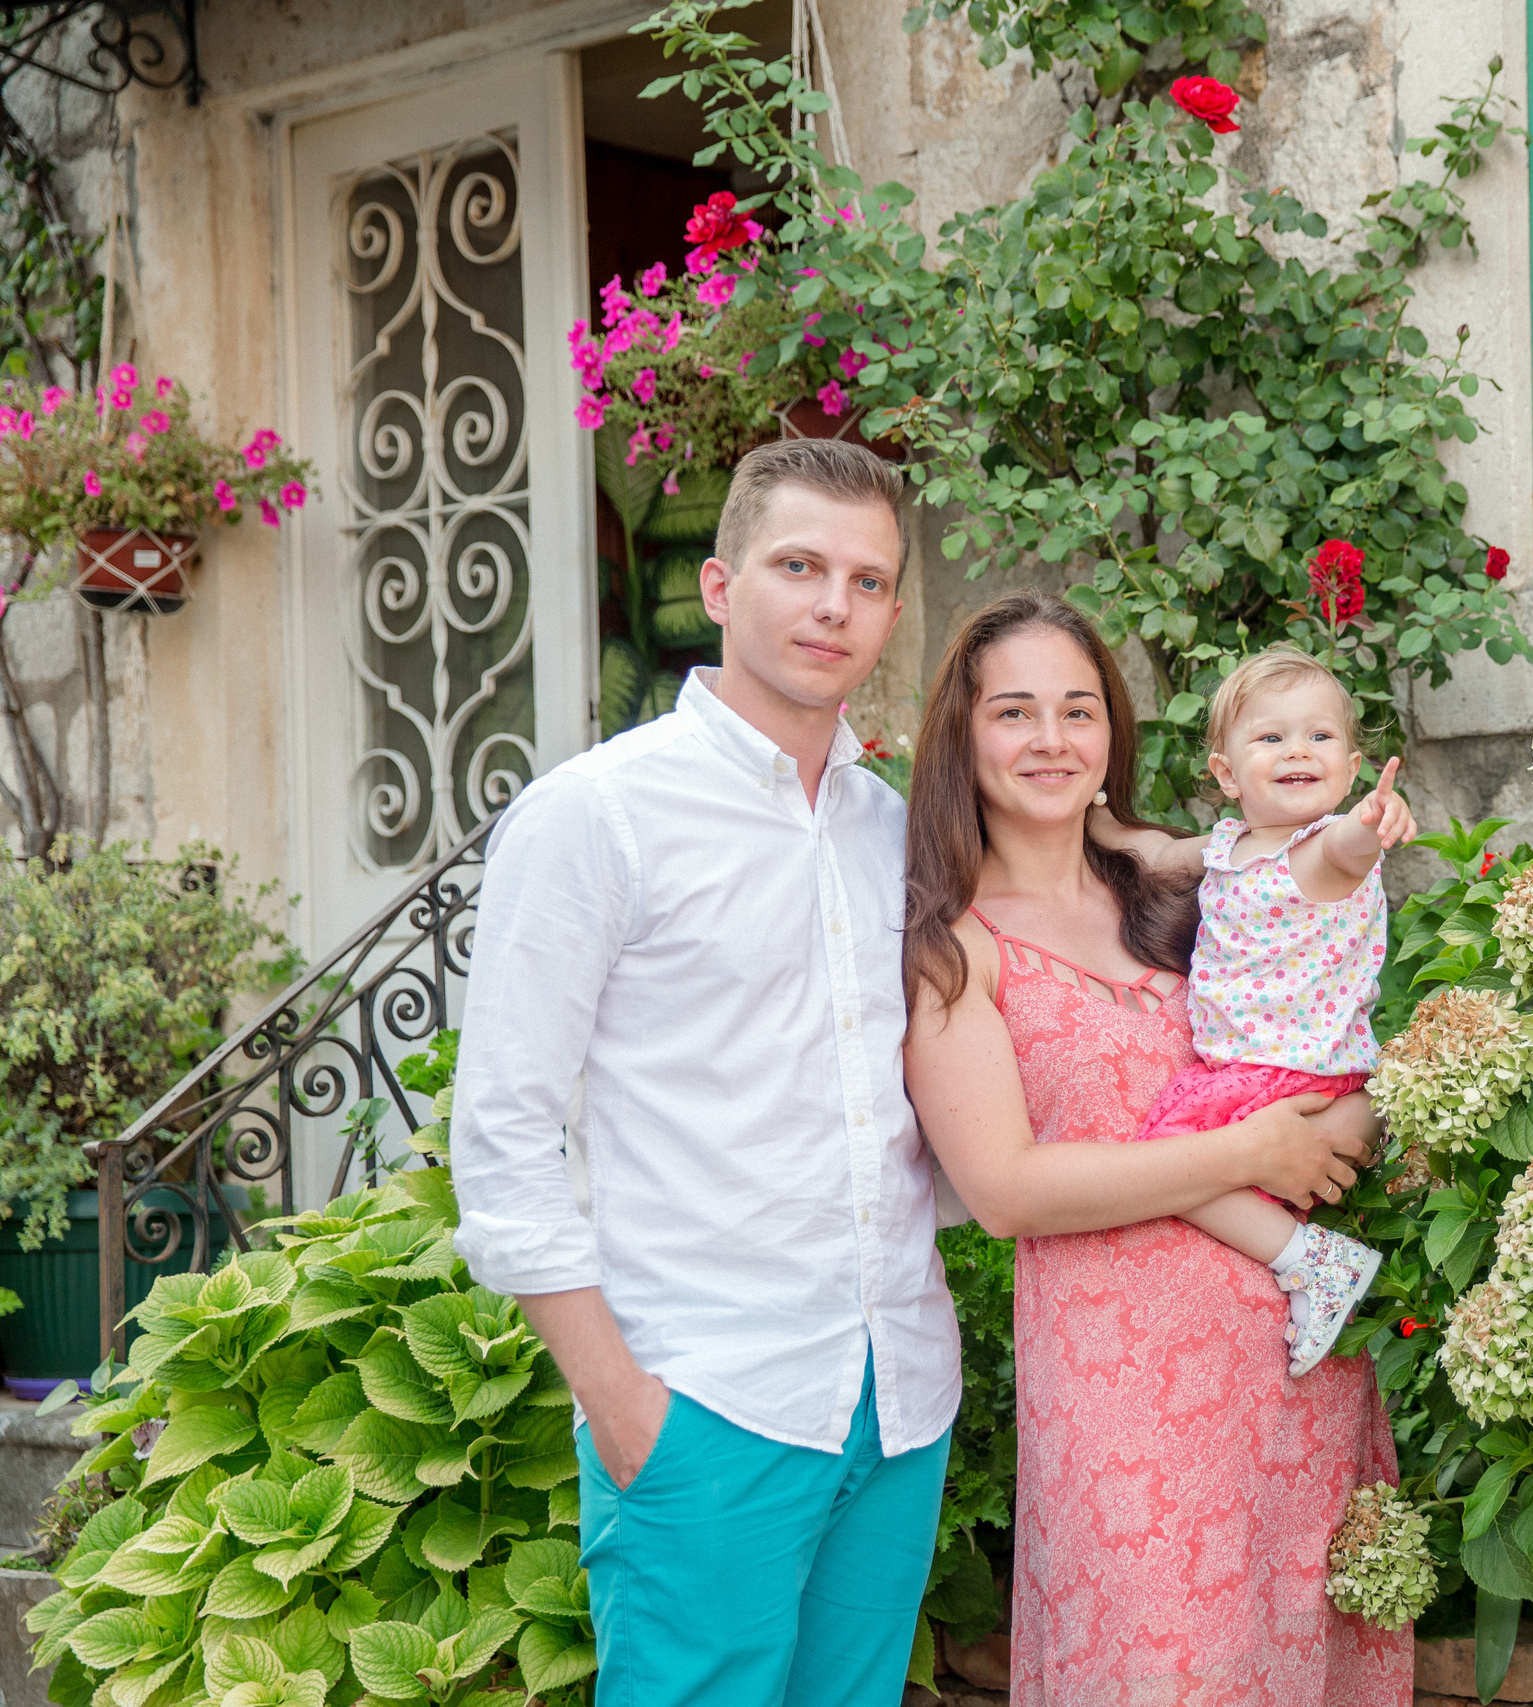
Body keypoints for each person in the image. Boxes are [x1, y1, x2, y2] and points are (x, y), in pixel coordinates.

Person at [450, 439, 958, 1707]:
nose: (833, 604)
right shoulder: (596, 815)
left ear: (893, 612)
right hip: (707, 1404)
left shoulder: (897, 831)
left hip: (896, 1400)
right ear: (723, 587)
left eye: (868, 579)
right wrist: (619, 1402)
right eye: (799, 566)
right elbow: (502, 1132)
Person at [903, 593, 1412, 1706]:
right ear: (963, 733)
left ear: (1112, 734)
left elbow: (1324, 1015)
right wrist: (1249, 1154)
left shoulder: (1183, 878)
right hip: (1125, 1402)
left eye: (1078, 711)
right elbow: (1004, 1190)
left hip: (1293, 1358)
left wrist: (1346, 1124)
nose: (1051, 740)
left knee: (1302, 1660)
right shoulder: (953, 946)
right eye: (1015, 712)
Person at [1087, 645, 1415, 1375]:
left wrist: (1375, 818)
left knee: (1163, 1157)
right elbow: (1159, 855)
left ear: (1353, 763)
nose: (1298, 749)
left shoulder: (1322, 850)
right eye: (1271, 737)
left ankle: (1312, 1261)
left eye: (1319, 737)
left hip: (1293, 1072)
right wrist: (1101, 828)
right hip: (1252, 1072)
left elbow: (1353, 844)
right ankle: (1296, 1256)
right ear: (1227, 773)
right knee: (1187, 1164)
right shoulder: (1231, 846)